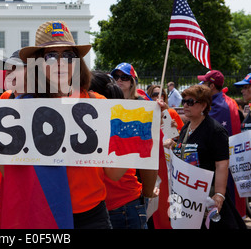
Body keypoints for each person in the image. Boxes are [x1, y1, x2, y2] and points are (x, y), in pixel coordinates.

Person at [0, 21, 127, 229]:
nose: (61, 62)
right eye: (51, 56)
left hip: (91, 218)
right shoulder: (21, 108)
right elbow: (12, 177)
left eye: (69, 56)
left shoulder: (97, 104)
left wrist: (131, 134)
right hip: (42, 217)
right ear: (37, 63)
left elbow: (115, 174)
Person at [163, 85, 246, 229]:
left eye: (190, 102)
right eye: (184, 101)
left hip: (206, 196)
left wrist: (219, 194)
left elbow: (222, 165)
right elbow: (185, 149)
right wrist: (173, 143)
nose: (185, 105)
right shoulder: (186, 127)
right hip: (185, 196)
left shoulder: (215, 131)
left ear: (203, 105)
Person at [90, 71, 158, 229]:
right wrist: (146, 194)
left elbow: (147, 162)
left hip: (119, 206)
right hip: (122, 204)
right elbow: (148, 162)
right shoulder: (129, 119)